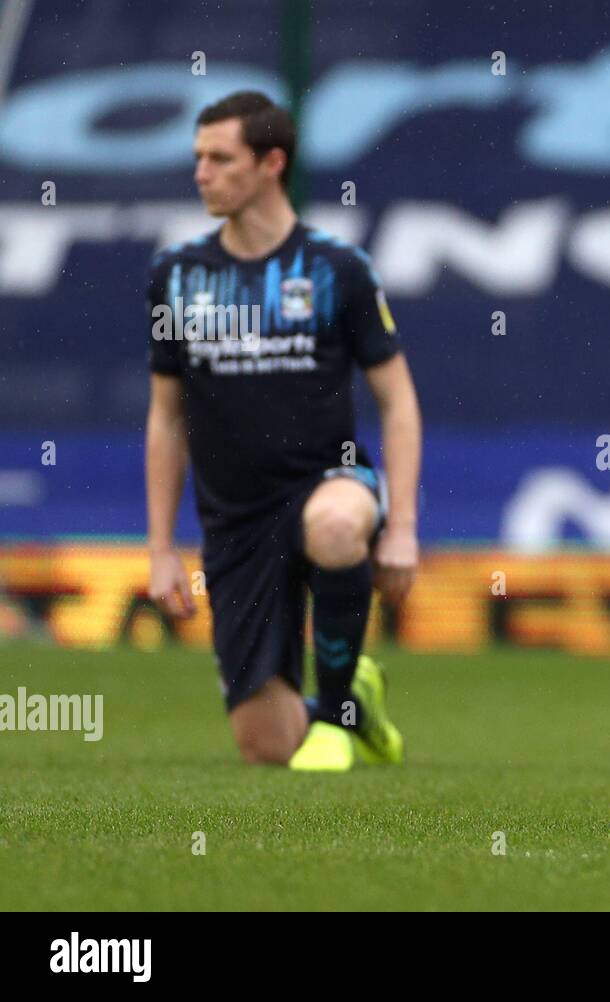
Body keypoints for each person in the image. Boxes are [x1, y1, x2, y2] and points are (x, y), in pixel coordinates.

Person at [145, 91, 422, 771]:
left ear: (271, 162)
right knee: (266, 747)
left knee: (331, 525)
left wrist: (404, 526)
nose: (201, 173)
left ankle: (336, 715)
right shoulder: (177, 276)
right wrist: (158, 548)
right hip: (235, 517)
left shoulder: (338, 269)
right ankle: (354, 683)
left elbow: (399, 402)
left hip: (332, 479)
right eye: (197, 158)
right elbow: (166, 416)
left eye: (220, 158)